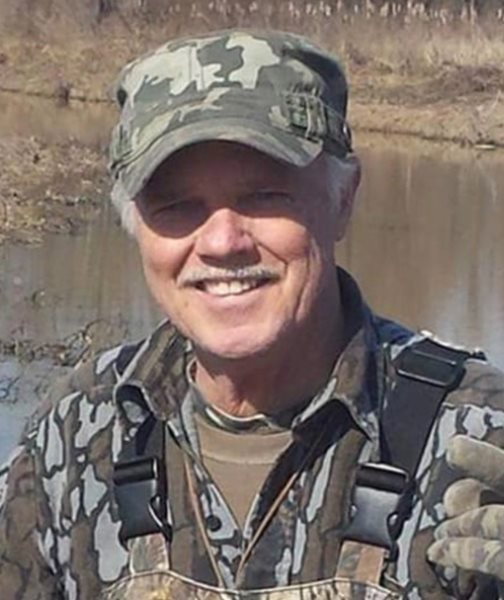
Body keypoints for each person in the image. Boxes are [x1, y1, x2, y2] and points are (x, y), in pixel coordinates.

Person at [1, 28, 504, 600]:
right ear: (135, 224)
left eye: (265, 195)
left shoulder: (476, 437)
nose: (222, 241)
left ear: (343, 199)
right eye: (176, 205)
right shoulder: (75, 433)